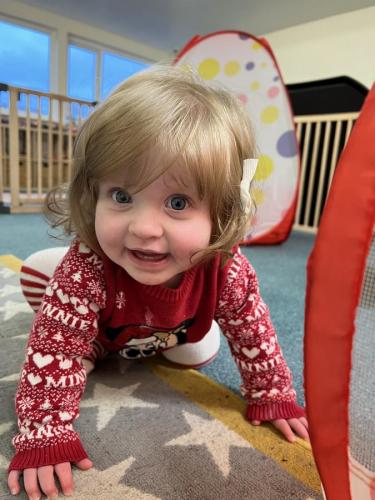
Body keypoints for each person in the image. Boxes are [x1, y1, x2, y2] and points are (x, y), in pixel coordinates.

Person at [8, 65, 308, 499]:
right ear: (94, 193)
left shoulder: (228, 269)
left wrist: (271, 391)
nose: (144, 228)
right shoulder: (87, 266)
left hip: (175, 330)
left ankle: (143, 338)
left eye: (178, 202)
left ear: (220, 213)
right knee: (48, 283)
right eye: (122, 197)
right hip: (104, 319)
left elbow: (253, 330)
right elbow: (51, 349)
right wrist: (44, 430)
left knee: (200, 351)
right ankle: (91, 337)